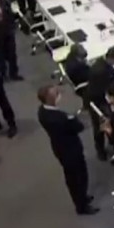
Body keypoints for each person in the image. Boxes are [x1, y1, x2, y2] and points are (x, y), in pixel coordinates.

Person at [37, 84, 99, 215]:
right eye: (55, 94)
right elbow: (78, 127)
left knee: (74, 176)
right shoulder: (59, 118)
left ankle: (81, 197)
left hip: (60, 148)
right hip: (70, 150)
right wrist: (72, 119)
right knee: (78, 177)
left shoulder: (42, 111)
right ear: (48, 98)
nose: (58, 95)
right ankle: (81, 206)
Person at [83, 46, 114, 161]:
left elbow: (112, 76)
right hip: (96, 102)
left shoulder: (103, 63)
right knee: (100, 126)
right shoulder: (100, 71)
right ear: (112, 58)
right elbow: (107, 88)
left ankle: (112, 141)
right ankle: (100, 150)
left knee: (108, 122)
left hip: (100, 97)